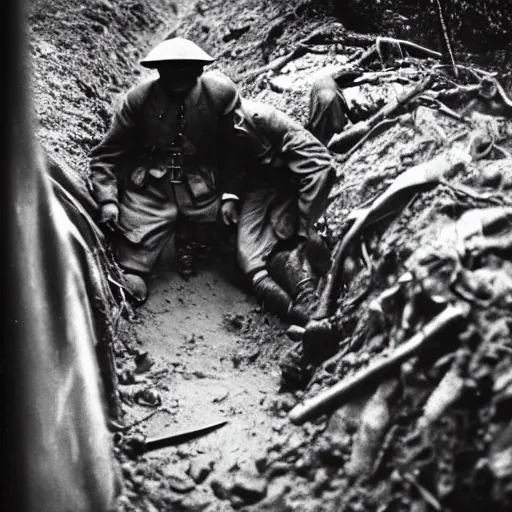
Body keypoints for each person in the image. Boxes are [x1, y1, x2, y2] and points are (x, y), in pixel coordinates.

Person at [89, 37, 243, 303]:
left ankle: (193, 240)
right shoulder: (139, 100)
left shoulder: (220, 95)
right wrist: (107, 200)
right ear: (158, 69)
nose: (178, 76)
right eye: (170, 68)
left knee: (234, 243)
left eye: (186, 68)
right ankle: (141, 263)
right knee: (131, 258)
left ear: (200, 70)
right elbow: (107, 155)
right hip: (152, 188)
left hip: (203, 184)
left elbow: (238, 149)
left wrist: (232, 194)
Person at [231, 99, 336, 326]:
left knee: (291, 242)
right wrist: (228, 197)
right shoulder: (211, 121)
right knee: (247, 256)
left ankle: (311, 302)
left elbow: (321, 166)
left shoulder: (264, 118)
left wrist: (305, 228)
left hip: (296, 184)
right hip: (258, 185)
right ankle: (300, 314)